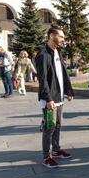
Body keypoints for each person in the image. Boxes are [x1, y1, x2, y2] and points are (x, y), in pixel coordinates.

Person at [36, 25, 74, 169]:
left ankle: (56, 150)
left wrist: (68, 90)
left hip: (59, 96)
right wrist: (49, 99)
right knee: (49, 127)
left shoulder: (57, 52)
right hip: (49, 99)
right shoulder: (43, 55)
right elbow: (43, 79)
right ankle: (46, 157)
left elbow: (62, 72)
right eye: (61, 36)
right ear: (52, 36)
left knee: (57, 124)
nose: (63, 39)